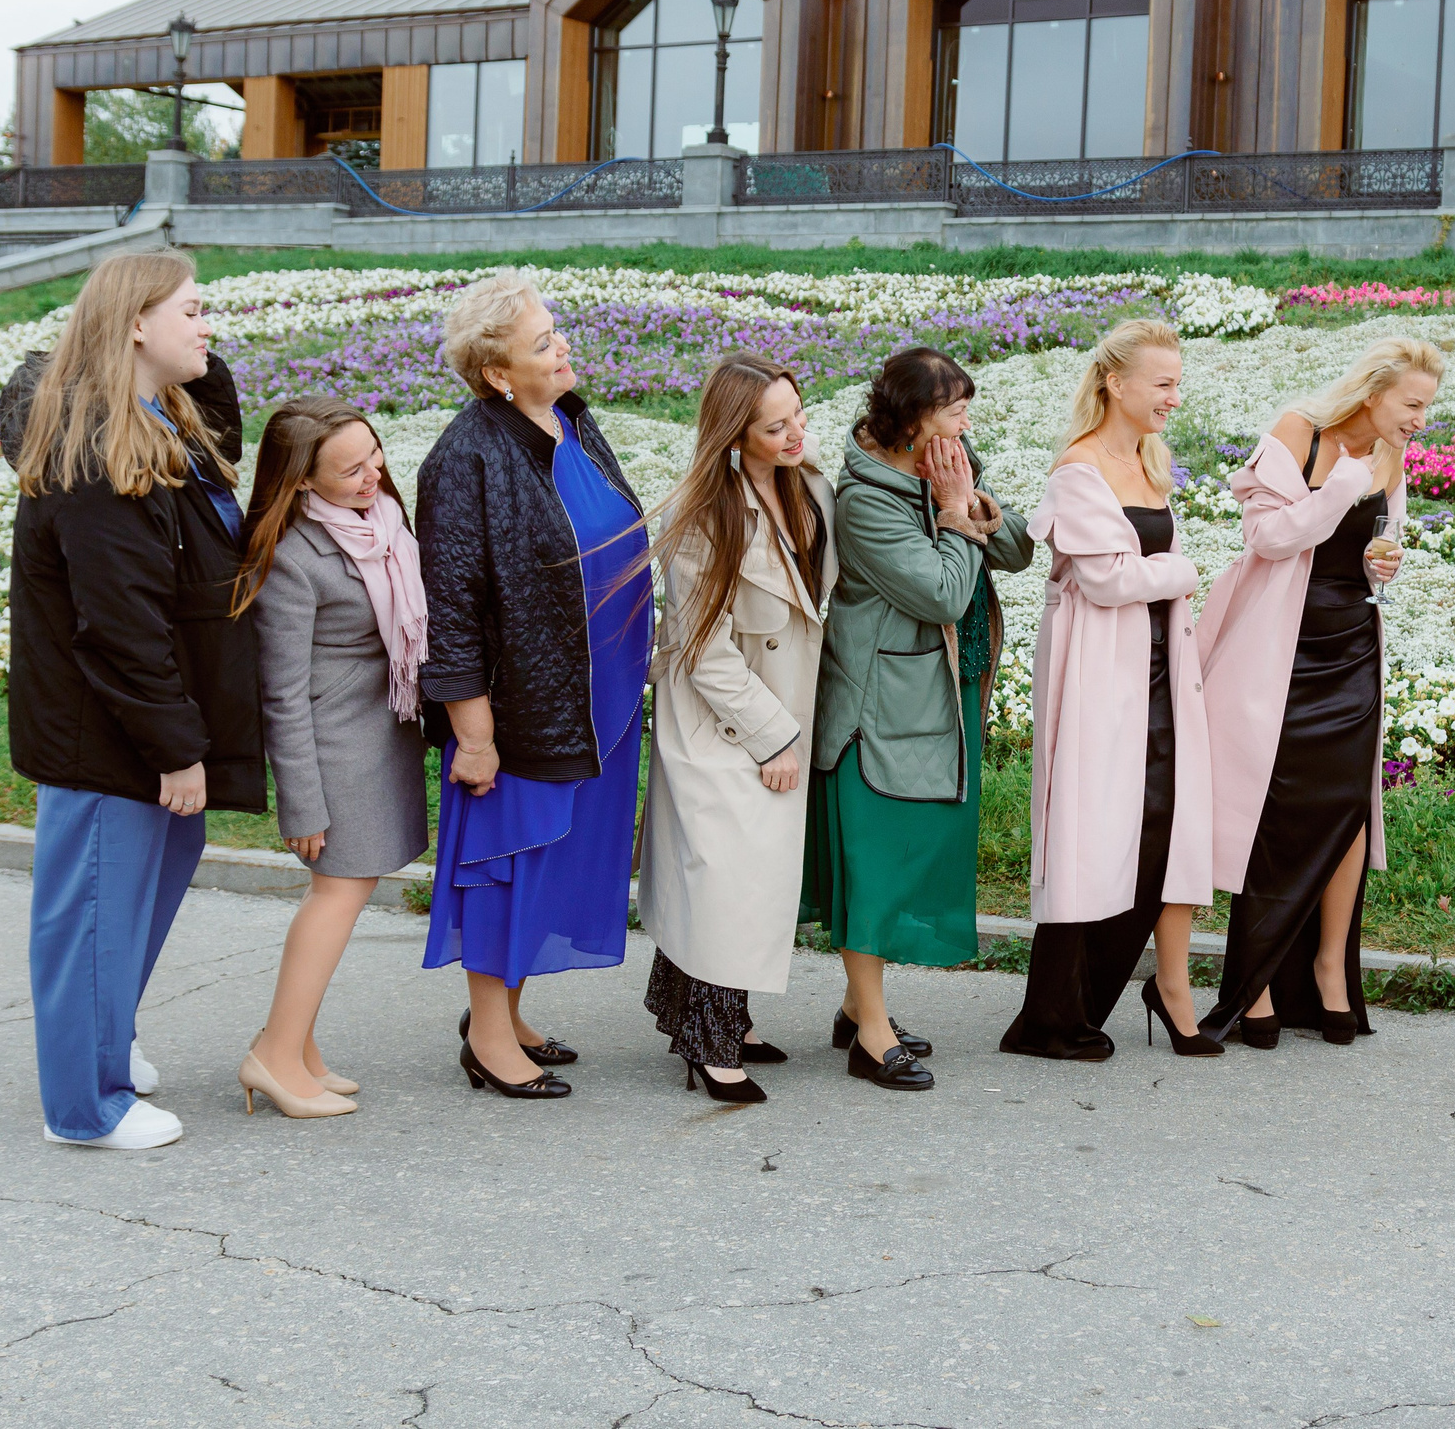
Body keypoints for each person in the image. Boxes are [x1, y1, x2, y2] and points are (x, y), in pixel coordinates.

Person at [7, 248, 262, 1150]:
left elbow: (222, 420)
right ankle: (84, 1105)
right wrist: (173, 745)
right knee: (92, 912)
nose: (208, 325)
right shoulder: (96, 448)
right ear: (134, 324)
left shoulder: (161, 420)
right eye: (191, 309)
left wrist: (186, 351)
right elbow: (118, 622)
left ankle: (104, 1043)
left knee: (129, 901)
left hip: (146, 721)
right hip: (105, 730)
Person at [415, 273, 652, 1101]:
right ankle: (486, 1037)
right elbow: (452, 606)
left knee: (549, 861)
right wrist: (473, 734)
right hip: (520, 708)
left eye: (557, 331)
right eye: (544, 342)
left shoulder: (571, 422)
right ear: (495, 374)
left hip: (596, 697)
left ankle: (507, 1012)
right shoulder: (464, 458)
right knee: (505, 862)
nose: (564, 348)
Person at [1195, 336, 1442, 1049]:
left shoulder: (1394, 453)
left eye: (1428, 405)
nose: (1421, 417)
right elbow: (1269, 537)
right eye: (1413, 403)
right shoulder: (1299, 432)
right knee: (1274, 806)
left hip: (1351, 644)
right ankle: (1259, 977)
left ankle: (1331, 967)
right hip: (1281, 648)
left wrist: (1380, 563)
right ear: (1373, 392)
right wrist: (1341, 484)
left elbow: (1377, 542)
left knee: (1347, 809)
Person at [804, 348, 1032, 1091]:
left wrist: (973, 507)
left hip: (940, 691)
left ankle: (855, 1004)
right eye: (955, 407)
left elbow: (1019, 547)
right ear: (910, 419)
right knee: (873, 861)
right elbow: (940, 593)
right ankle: (870, 1034)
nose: (967, 421)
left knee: (911, 854)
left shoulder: (948, 460)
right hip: (879, 707)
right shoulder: (865, 498)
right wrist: (955, 515)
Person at [1000, 321, 1217, 1061]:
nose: (1173, 397)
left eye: (1176, 383)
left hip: (1158, 670)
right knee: (1093, 832)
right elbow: (1109, 578)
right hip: (1101, 672)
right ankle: (1051, 1017)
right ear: (1115, 384)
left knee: (1155, 829)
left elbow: (1135, 569)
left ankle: (1090, 1002)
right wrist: (1185, 574)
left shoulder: (1150, 460)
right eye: (1162, 383)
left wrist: (1162, 581)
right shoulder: (1080, 469)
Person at [638, 354, 835, 1103]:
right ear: (735, 433)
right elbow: (705, 651)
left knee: (739, 880)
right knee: (728, 881)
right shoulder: (705, 514)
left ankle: (719, 1018)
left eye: (798, 414)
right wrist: (773, 735)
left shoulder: (805, 482)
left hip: (779, 700)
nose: (795, 432)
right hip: (727, 718)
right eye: (775, 424)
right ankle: (709, 1041)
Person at [231, 397, 430, 1120]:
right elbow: (280, 696)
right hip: (334, 754)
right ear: (302, 481)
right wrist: (302, 802)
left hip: (378, 741)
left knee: (345, 893)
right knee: (337, 895)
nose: (371, 474)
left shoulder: (382, 527)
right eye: (348, 469)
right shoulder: (290, 555)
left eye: (373, 455)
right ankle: (275, 1057)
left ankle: (296, 1048)